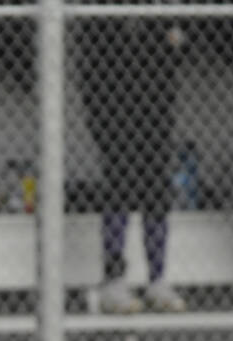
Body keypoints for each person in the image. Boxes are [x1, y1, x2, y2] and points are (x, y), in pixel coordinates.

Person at [78, 7, 189, 314]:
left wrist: (174, 39)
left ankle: (157, 280)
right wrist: (100, 116)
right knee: (119, 184)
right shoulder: (103, 18)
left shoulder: (159, 16)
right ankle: (114, 281)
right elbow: (91, 64)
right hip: (114, 107)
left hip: (154, 107)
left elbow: (176, 47)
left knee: (156, 188)